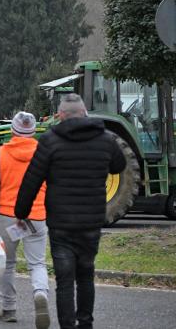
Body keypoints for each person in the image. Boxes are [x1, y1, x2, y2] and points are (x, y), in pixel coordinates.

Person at [14, 94, 127, 329]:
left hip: (61, 223)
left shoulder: (50, 140)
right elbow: (119, 165)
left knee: (65, 280)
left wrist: (21, 212)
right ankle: (85, 324)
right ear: (85, 112)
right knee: (86, 275)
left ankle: (67, 325)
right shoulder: (105, 139)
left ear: (61, 115)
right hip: (91, 222)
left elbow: (32, 180)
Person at [0, 111, 50, 329]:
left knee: (8, 264)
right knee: (37, 263)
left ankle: (9, 309)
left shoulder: (0, 154)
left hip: (10, 217)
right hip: (37, 216)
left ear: (12, 130)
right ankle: (40, 294)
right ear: (33, 131)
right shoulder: (44, 153)